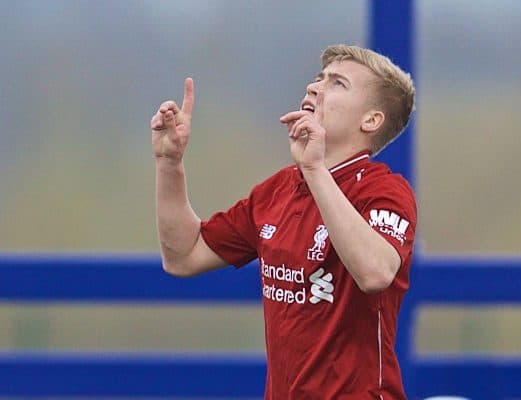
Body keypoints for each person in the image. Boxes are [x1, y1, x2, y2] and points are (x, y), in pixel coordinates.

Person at [151, 44, 416, 400]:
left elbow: (375, 273)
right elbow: (184, 255)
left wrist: (314, 169)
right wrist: (169, 163)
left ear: (370, 121)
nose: (314, 87)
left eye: (337, 84)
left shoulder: (385, 190)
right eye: (318, 78)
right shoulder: (277, 190)